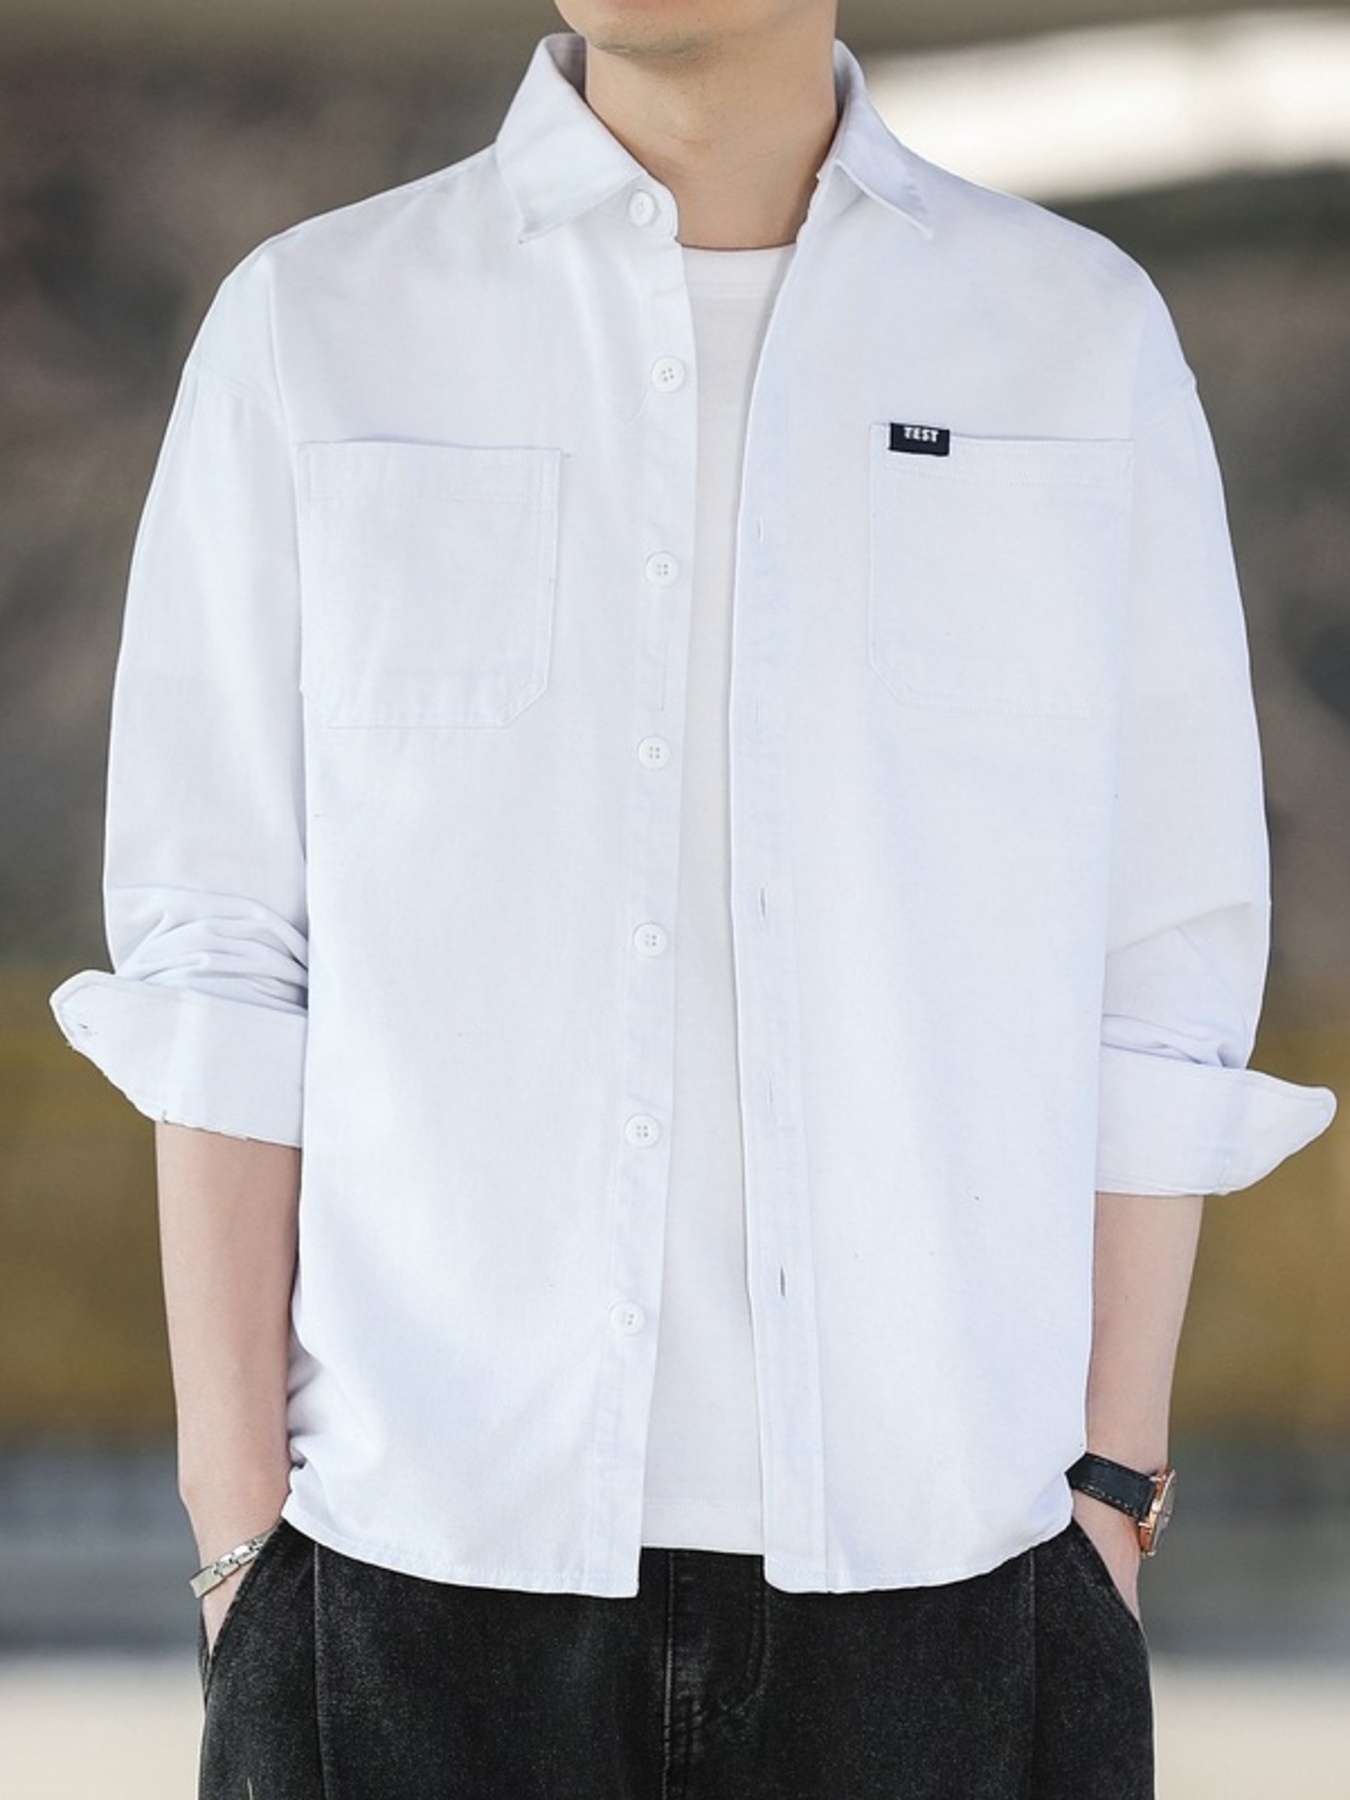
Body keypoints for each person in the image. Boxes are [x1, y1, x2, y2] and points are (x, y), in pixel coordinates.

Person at [52, 3, 1335, 1795]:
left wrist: (1107, 1499)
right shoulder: (320, 320)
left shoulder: (1071, 332)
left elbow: (1160, 958)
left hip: (955, 1573)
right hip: (411, 1562)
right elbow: (221, 951)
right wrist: (236, 1536)